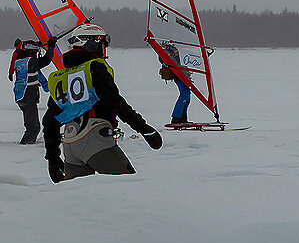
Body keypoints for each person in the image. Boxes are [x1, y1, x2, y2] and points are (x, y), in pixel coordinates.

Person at [42, 23, 162, 182]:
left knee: (78, 200)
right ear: (92, 43)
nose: (103, 49)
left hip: (70, 144)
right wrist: (144, 128)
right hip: (96, 140)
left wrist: (53, 158)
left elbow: (50, 120)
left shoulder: (61, 77)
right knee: (128, 189)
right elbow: (115, 102)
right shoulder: (95, 67)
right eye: (102, 44)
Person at [11, 37, 55, 144]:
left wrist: (47, 87)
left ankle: (27, 143)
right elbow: (47, 60)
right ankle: (25, 146)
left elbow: (39, 75)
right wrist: (51, 47)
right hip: (28, 96)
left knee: (31, 125)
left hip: (21, 96)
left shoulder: (20, 62)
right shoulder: (30, 62)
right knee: (33, 128)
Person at [158, 41, 192, 126]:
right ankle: (176, 118)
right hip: (178, 74)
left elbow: (183, 57)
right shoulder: (165, 49)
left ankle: (182, 118)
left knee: (187, 95)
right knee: (184, 94)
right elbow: (163, 60)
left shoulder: (173, 48)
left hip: (183, 73)